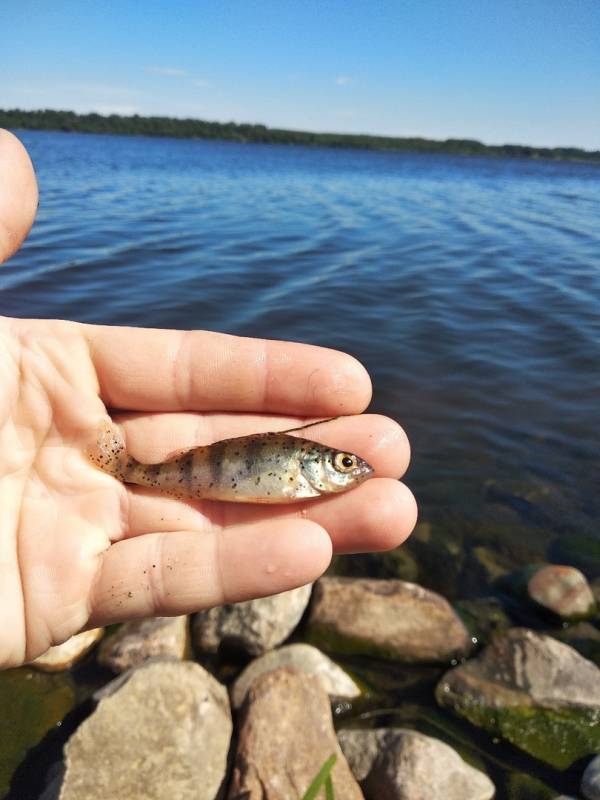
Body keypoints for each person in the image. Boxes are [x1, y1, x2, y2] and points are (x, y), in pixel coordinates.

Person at [0, 129, 417, 670]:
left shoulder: (301, 474)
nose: (350, 467)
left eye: (345, 462)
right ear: (313, 464)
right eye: (341, 462)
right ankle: (125, 468)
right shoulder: (298, 472)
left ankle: (127, 469)